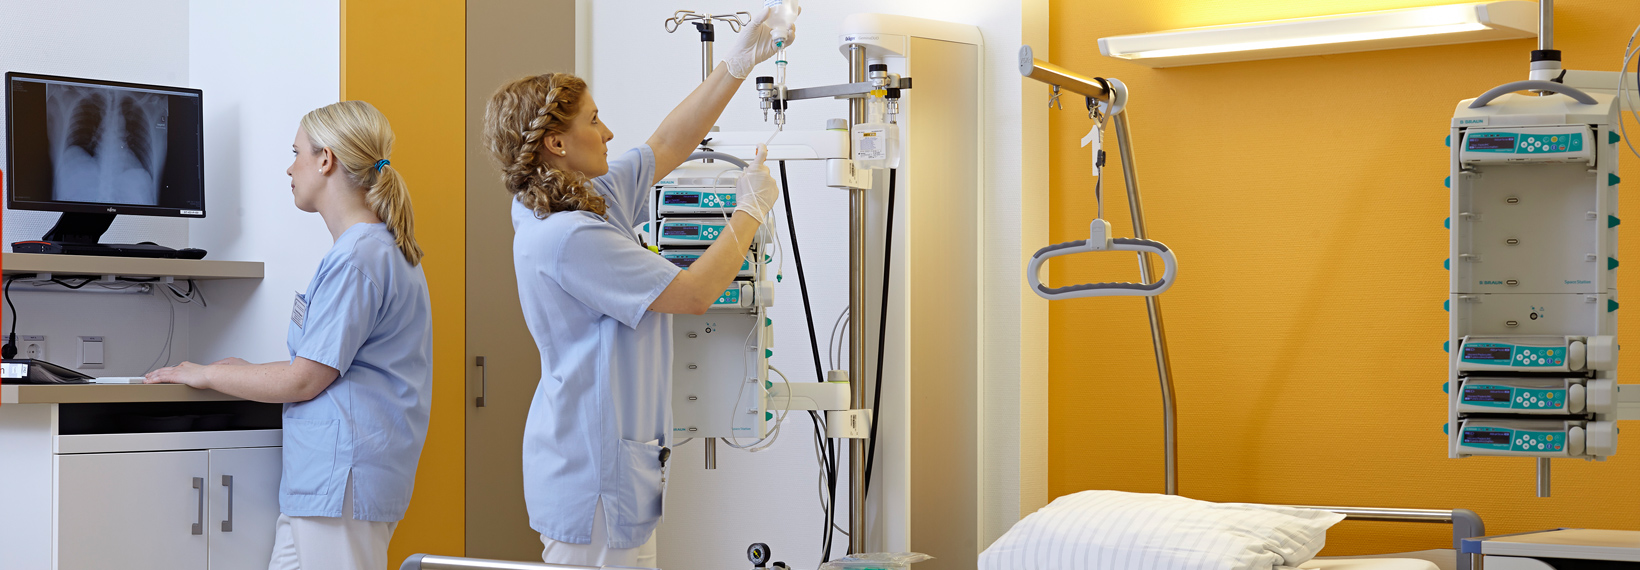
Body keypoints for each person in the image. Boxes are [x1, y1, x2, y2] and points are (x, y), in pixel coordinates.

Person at [480, 5, 796, 567]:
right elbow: (695, 295)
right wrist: (748, 212)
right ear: (556, 142)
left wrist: (737, 62)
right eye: (593, 121)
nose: (608, 132)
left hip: (609, 461)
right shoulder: (567, 236)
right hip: (593, 476)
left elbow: (668, 143)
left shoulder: (582, 195)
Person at [145, 100, 434, 570]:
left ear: (326, 160)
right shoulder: (365, 250)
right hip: (324, 483)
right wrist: (239, 371)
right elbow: (324, 364)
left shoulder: (360, 257)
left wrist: (204, 375)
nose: (289, 167)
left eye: (297, 152)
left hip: (342, 479)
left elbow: (305, 379)